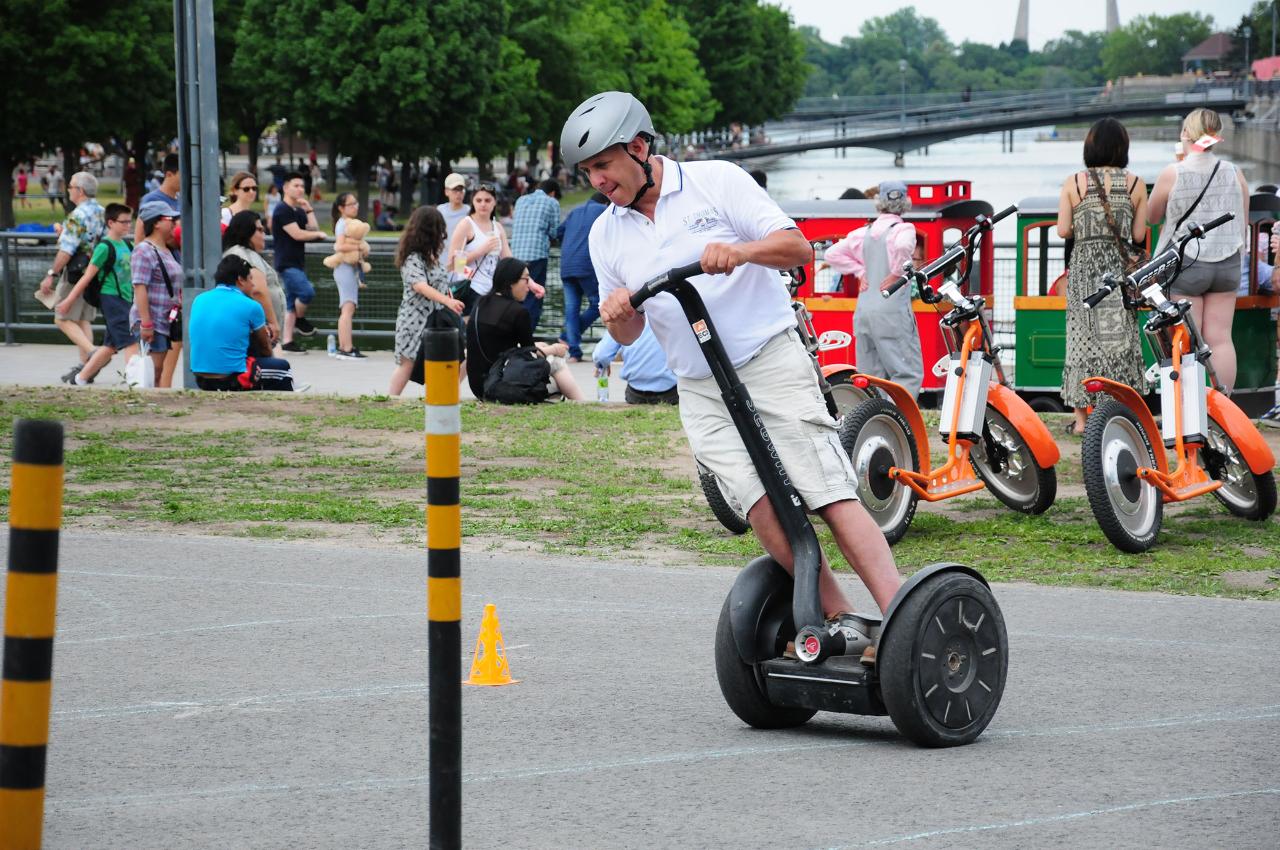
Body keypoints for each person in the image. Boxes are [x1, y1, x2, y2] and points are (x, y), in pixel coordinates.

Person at [569, 91, 901, 623]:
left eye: (603, 165)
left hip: (768, 357)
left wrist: (741, 251)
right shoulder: (606, 231)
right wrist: (616, 316)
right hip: (699, 383)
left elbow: (797, 248)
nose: (597, 182)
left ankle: (898, 615)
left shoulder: (715, 181)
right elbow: (630, 334)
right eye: (588, 171)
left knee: (826, 488)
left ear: (637, 147)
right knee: (758, 504)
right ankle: (844, 625)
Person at [1055, 118, 1151, 434]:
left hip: (1083, 272)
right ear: (1123, 148)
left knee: (1081, 342)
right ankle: (1118, 413)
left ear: (1090, 147)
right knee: (1119, 343)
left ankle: (1083, 421)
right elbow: (1138, 234)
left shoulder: (1074, 182)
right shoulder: (1137, 184)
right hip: (1118, 276)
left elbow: (1063, 230)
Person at [1148, 108, 1250, 394]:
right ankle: (1224, 409)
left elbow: (1151, 216)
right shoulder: (1234, 172)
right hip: (1228, 262)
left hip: (1188, 264)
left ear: (1185, 134)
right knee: (1220, 338)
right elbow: (1243, 217)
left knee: (1185, 339)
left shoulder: (1174, 173)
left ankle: (1188, 410)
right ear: (1217, 136)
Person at [824, 179, 924, 399]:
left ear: (879, 202)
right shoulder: (904, 228)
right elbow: (903, 245)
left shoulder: (864, 233)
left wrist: (860, 272)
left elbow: (831, 254)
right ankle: (901, 424)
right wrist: (897, 272)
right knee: (906, 373)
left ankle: (873, 422)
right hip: (892, 312)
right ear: (906, 201)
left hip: (864, 312)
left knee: (870, 376)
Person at [465, 258, 583, 401]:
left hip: (478, 386)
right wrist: (554, 349)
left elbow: (503, 347)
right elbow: (529, 354)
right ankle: (581, 403)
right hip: (500, 385)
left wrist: (539, 347)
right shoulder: (517, 312)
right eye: (526, 280)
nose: (529, 286)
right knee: (557, 362)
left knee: (544, 352)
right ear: (511, 281)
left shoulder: (480, 303)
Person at [189, 255, 298, 391]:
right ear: (240, 280)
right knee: (283, 370)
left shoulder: (199, 300)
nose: (253, 284)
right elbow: (265, 348)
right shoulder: (251, 306)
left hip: (200, 377)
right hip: (231, 378)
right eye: (250, 279)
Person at [388, 206, 467, 396]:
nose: (442, 235)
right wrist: (448, 301)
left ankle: (442, 393)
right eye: (439, 230)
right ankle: (390, 399)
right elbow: (420, 286)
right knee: (407, 363)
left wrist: (455, 265)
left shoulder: (431, 257)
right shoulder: (412, 258)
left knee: (445, 357)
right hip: (414, 320)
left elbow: (437, 278)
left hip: (433, 319)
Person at [56, 203, 136, 386]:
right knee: (132, 340)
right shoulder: (104, 247)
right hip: (111, 299)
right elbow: (87, 277)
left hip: (126, 299)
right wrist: (68, 300)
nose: (127, 225)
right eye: (123, 222)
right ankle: (136, 383)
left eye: (129, 222)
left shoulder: (127, 245)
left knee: (110, 346)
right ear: (110, 222)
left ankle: (80, 378)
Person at [38, 171, 105, 382]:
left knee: (61, 317)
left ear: (80, 191)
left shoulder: (78, 215)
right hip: (93, 271)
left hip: (74, 273)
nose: (68, 190)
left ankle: (94, 353)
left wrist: (51, 274)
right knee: (83, 319)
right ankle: (87, 370)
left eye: (70, 187)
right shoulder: (101, 212)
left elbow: (66, 250)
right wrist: (64, 231)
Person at [129, 200, 184, 387]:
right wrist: (146, 323)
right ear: (157, 223)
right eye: (170, 219)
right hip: (153, 320)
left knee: (158, 370)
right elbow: (139, 286)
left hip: (165, 319)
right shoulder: (144, 250)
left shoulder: (167, 250)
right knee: (154, 370)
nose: (174, 223)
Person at [273, 170, 327, 352]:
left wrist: (309, 208)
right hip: (286, 262)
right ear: (286, 187)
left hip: (297, 262)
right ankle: (300, 320)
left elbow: (313, 228)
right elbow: (297, 234)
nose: (300, 189)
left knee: (291, 303)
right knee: (306, 292)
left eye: (302, 186)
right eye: (296, 186)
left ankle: (287, 341)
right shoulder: (282, 210)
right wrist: (318, 235)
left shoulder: (297, 210)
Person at [556, 191, 608, 361]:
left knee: (571, 309)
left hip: (566, 265)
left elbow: (559, 233)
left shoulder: (574, 211)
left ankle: (574, 351)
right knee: (598, 303)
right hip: (586, 265)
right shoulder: (603, 210)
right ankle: (568, 337)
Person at [448, 183, 513, 315]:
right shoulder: (466, 224)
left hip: (493, 291)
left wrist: (529, 281)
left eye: (487, 200)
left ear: (494, 202)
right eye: (479, 200)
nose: (483, 204)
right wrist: (480, 251)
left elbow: (509, 261)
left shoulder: (498, 227)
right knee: (472, 332)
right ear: (473, 202)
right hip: (471, 289)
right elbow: (452, 264)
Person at [222, 210, 284, 348]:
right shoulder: (243, 254)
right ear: (246, 231)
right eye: (260, 230)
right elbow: (257, 290)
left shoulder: (240, 253)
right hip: (257, 329)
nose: (264, 235)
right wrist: (273, 322)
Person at [510, 179, 561, 327]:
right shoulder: (552, 202)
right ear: (553, 193)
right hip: (537, 254)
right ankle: (527, 334)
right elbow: (554, 231)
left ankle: (513, 332)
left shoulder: (521, 200)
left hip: (515, 254)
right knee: (534, 296)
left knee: (517, 295)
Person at [592, 325, 678, 404]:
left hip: (635, 391)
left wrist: (602, 364)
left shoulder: (623, 315)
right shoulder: (674, 312)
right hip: (671, 389)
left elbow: (602, 356)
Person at [330, 192, 367, 359]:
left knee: (348, 307)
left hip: (349, 269)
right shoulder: (343, 224)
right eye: (351, 204)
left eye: (356, 203)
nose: (355, 207)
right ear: (341, 208)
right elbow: (339, 246)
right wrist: (358, 247)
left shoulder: (349, 223)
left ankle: (345, 345)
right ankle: (346, 347)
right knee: (347, 308)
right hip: (344, 268)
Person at [134, 153, 180, 246]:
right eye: (182, 176)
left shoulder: (182, 200)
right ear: (169, 175)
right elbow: (139, 239)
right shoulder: (151, 200)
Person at [437, 173, 471, 242]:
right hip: (442, 252)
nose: (458, 193)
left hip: (462, 252)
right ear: (446, 192)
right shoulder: (439, 210)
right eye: (455, 189)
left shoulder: (470, 212)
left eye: (461, 189)